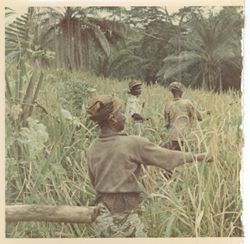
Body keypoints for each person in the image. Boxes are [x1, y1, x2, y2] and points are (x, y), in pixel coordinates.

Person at [86, 94, 213, 238]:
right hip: (127, 217)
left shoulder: (92, 147)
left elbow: (94, 180)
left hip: (102, 217)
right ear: (112, 118)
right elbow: (168, 158)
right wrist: (199, 156)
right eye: (121, 112)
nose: (125, 116)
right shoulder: (133, 144)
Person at [164, 81, 203, 151]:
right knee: (184, 157)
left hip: (172, 137)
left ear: (172, 92)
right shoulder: (187, 103)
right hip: (184, 136)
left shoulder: (168, 105)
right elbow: (199, 118)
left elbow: (167, 124)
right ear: (180, 91)